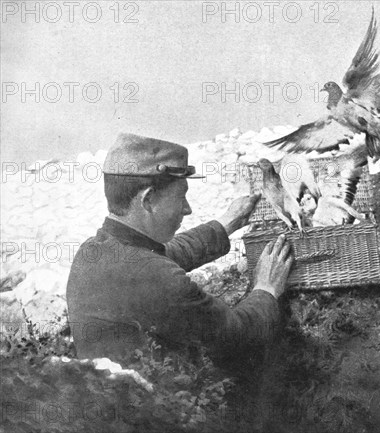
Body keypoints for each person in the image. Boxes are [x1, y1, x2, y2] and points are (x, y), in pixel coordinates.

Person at [66, 132, 294, 365]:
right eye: (181, 197)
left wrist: (227, 223)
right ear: (148, 200)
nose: (187, 210)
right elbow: (237, 334)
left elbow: (170, 253)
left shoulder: (94, 252)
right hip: (154, 399)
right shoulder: (152, 275)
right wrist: (267, 289)